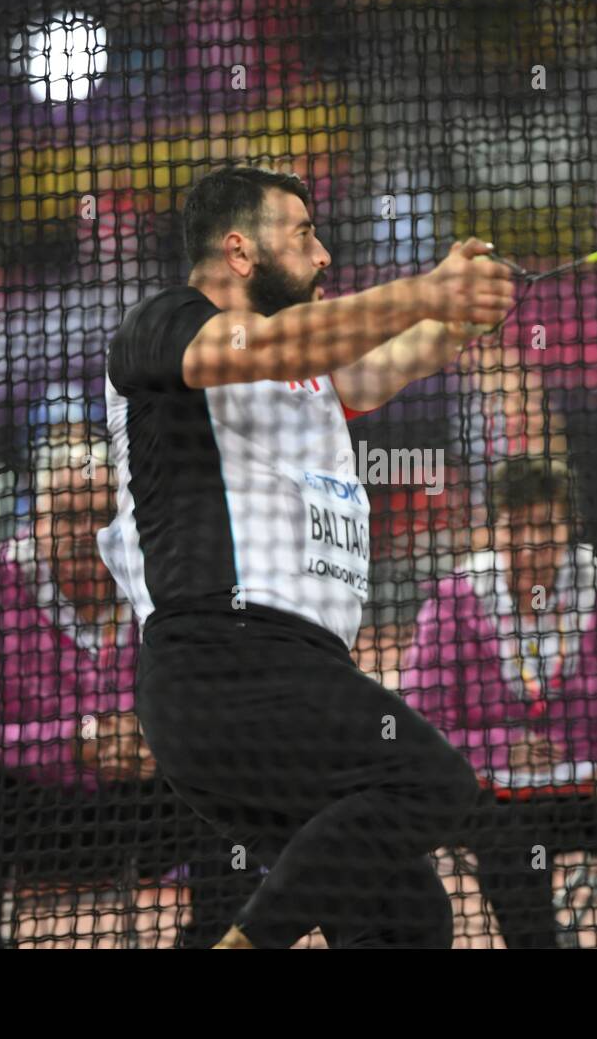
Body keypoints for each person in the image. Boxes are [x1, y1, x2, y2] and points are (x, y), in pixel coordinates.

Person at [99, 164, 516, 948]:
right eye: (303, 234)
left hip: (299, 679)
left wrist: (466, 312)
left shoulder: (310, 370)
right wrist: (427, 290)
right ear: (240, 250)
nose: (324, 254)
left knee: (408, 915)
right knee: (431, 780)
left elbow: (390, 358)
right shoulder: (163, 325)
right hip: (224, 666)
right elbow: (267, 341)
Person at [0, 426, 257, 948]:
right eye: (66, 517)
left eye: (100, 516)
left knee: (231, 775)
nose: (85, 532)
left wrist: (158, 740)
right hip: (37, 816)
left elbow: (215, 703)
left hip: (141, 809)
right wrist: (75, 743)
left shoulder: (163, 586)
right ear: (34, 523)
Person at [401, 457, 597, 948]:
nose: (532, 543)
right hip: (501, 799)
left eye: (546, 526)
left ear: (568, 527)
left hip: (596, 790)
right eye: (517, 527)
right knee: (504, 837)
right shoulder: (456, 600)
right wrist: (495, 749)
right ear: (493, 529)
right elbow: (417, 724)